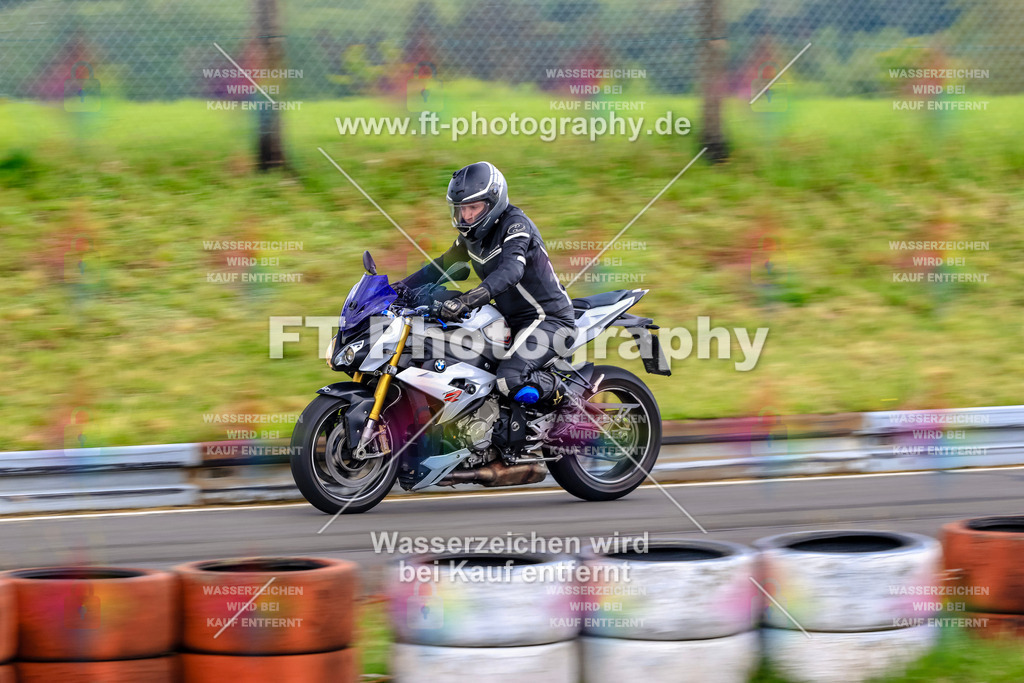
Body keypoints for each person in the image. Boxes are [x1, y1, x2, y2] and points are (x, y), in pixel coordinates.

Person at [396, 161, 575, 408]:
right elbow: (441, 266)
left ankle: (570, 403)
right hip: (505, 320)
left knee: (509, 379)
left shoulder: (515, 225)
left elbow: (512, 270)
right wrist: (396, 289)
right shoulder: (471, 238)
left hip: (548, 319)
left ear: (493, 203)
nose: (466, 216)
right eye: (461, 209)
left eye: (473, 208)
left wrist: (465, 300)